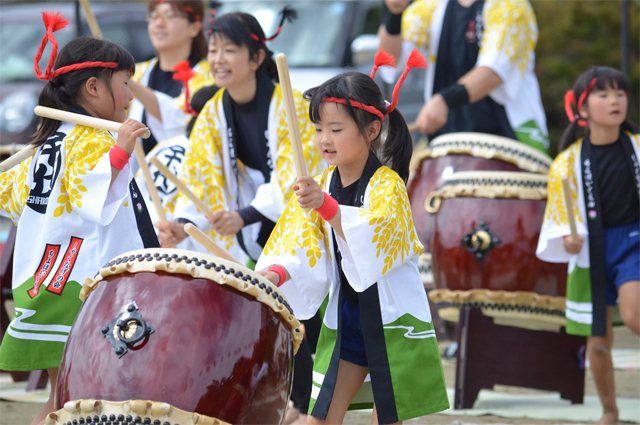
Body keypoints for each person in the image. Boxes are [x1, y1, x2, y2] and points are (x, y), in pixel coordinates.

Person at [256, 50, 449, 425]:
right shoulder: (323, 182)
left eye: (336, 129)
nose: (324, 139)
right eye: (317, 129)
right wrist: (276, 275)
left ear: (372, 130)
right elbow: (300, 241)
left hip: (392, 317)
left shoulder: (387, 184)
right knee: (319, 417)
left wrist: (326, 207)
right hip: (345, 316)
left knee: (386, 419)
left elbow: (377, 238)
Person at [0, 12, 159, 425]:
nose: (129, 95)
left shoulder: (50, 142)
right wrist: (119, 152)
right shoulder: (86, 139)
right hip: (82, 285)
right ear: (93, 88)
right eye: (124, 83)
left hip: (51, 280)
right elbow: (93, 192)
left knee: (63, 402)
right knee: (75, 403)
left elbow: (13, 198)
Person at [155, 9, 325, 265]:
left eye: (230, 50)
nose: (218, 60)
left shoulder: (292, 107)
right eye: (213, 51)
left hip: (301, 222)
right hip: (251, 224)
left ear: (256, 58)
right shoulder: (212, 113)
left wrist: (242, 217)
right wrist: (184, 224)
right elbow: (199, 176)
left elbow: (297, 179)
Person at [536, 66, 640, 425]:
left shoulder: (638, 148)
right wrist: (567, 237)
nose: (615, 101)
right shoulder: (566, 162)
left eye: (620, 93)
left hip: (633, 242)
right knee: (597, 342)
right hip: (590, 252)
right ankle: (610, 411)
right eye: (603, 94)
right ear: (581, 109)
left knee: (634, 314)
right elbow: (559, 215)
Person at [378, 0, 549, 153]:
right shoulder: (430, 6)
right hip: (447, 139)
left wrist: (443, 101)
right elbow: (391, 60)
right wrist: (395, 14)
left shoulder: (512, 6)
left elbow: (494, 71)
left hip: (509, 136)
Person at [128, 0, 214, 155]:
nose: (159, 23)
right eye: (154, 17)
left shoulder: (211, 74)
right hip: (139, 175)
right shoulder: (137, 72)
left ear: (194, 27)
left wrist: (127, 82)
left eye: (170, 16)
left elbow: (181, 123)